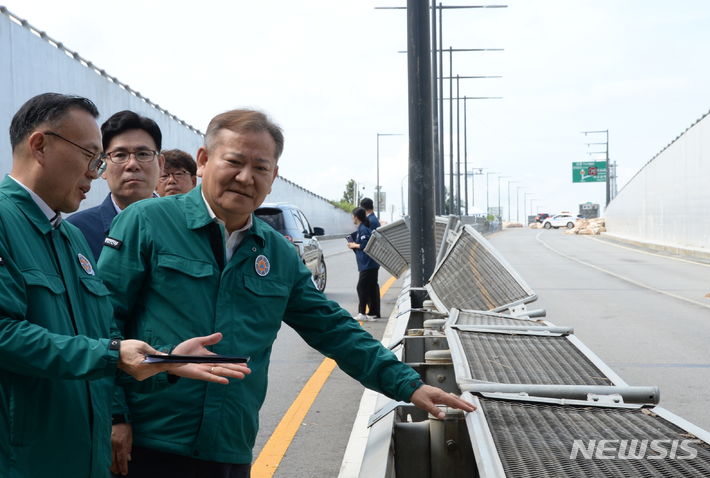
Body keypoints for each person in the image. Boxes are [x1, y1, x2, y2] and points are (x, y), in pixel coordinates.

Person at [98, 109, 475, 478]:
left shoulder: (276, 253)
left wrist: (407, 384)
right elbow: (102, 321)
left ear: (274, 175)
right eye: (234, 162)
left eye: (260, 168)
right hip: (148, 441)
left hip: (228, 443)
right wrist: (115, 416)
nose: (246, 178)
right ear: (203, 160)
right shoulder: (147, 223)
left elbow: (333, 328)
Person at [0, 93, 250, 478]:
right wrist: (113, 354)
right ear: (39, 145)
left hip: (84, 459)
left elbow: (101, 339)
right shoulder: (5, 222)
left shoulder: (70, 240)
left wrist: (165, 361)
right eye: (91, 156)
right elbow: (6, 335)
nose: (95, 172)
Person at [67, 110, 165, 260]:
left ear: (160, 164)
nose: (132, 164)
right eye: (120, 155)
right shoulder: (76, 232)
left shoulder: (182, 228)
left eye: (143, 154)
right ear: (102, 167)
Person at [347, 207, 381, 320]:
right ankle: (373, 313)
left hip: (368, 264)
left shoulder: (363, 229)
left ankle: (362, 313)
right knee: (370, 288)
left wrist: (354, 245)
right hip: (368, 264)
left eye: (353, 216)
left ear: (356, 217)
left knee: (361, 287)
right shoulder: (362, 228)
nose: (352, 218)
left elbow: (366, 245)